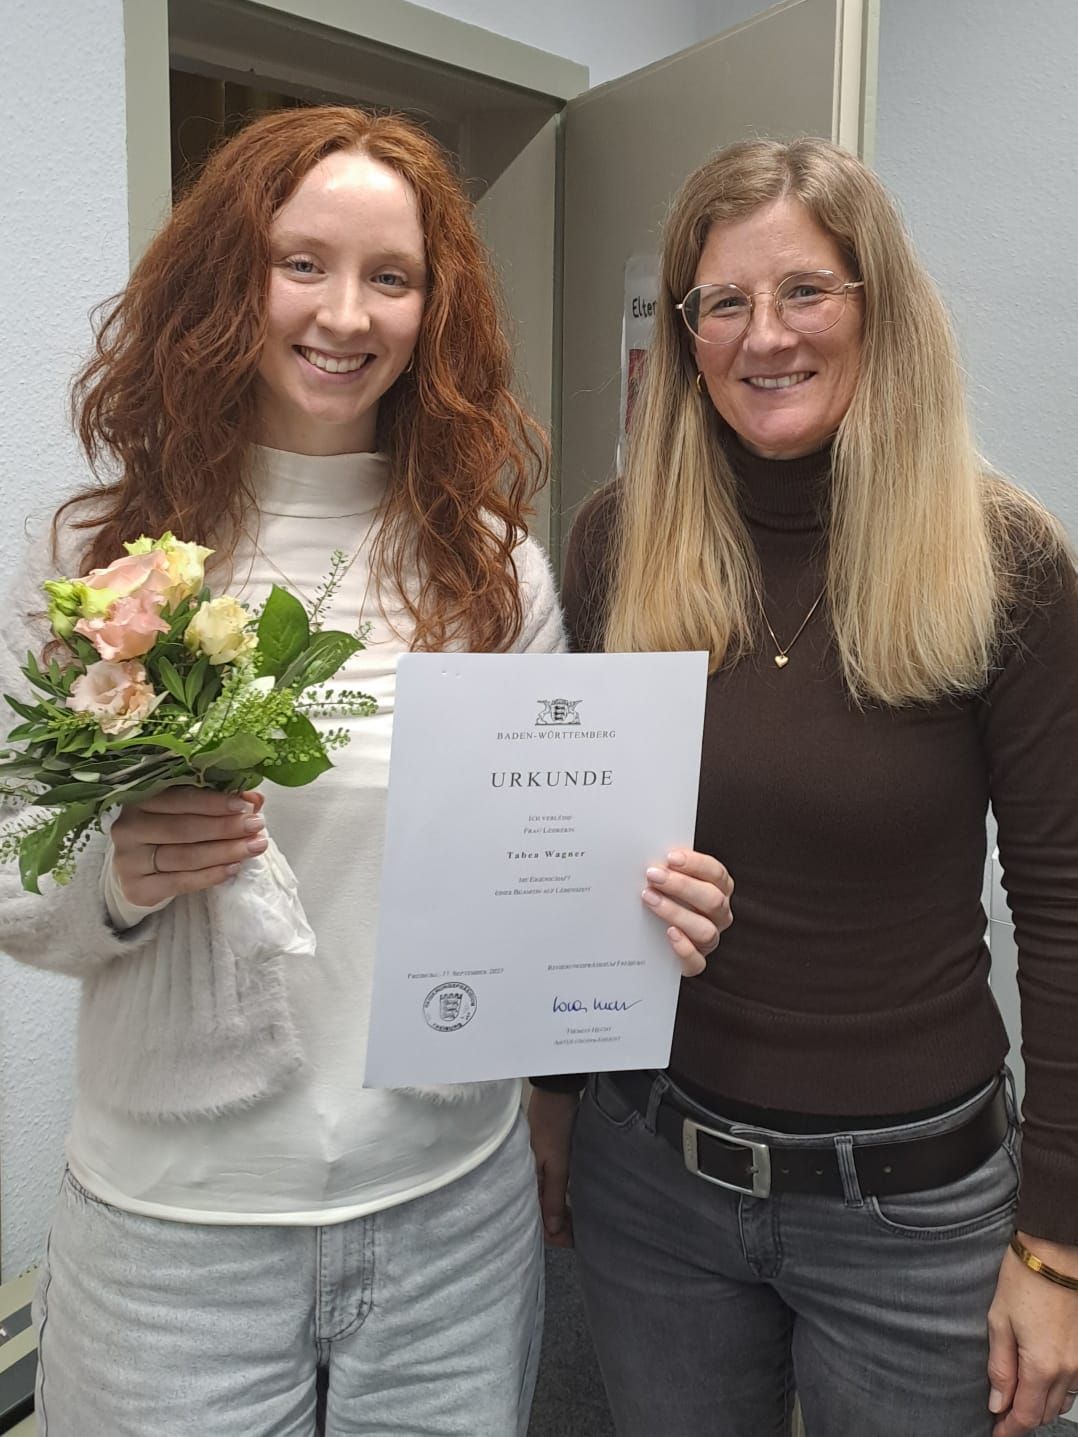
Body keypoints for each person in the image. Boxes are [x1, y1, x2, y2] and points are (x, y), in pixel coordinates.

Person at [0, 104, 571, 1437]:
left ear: (435, 310)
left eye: (392, 276)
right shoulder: (96, 557)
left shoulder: (494, 572)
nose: (346, 313)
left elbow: (535, 869)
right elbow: (14, 875)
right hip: (173, 1242)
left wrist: (624, 898)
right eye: (301, 262)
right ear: (228, 279)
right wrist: (117, 877)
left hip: (449, 1220)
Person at [528, 137, 1078, 1437]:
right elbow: (568, 845)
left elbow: (1063, 912)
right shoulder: (618, 540)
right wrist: (552, 1102)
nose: (763, 335)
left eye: (804, 291)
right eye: (722, 300)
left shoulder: (1001, 560)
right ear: (686, 336)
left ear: (876, 306)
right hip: (652, 1176)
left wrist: (1057, 1241)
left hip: (915, 1212)